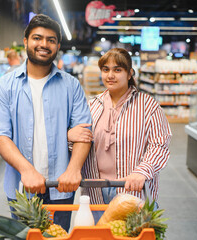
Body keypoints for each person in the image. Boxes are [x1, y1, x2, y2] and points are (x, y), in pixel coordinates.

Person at [0, 14, 92, 231]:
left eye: (51, 40)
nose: (44, 44)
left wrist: (74, 169)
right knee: (25, 236)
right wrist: (26, 170)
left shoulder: (71, 86)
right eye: (37, 38)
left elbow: (84, 132)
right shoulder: (5, 86)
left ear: (57, 46)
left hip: (61, 186)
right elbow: (0, 136)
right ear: (25, 41)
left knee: (58, 236)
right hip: (21, 185)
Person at [68, 48, 172, 217]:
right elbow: (80, 144)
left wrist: (142, 171)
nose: (110, 75)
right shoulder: (92, 106)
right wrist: (70, 136)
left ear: (130, 73)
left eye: (117, 70)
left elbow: (160, 144)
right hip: (96, 192)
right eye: (106, 70)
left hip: (134, 192)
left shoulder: (148, 105)